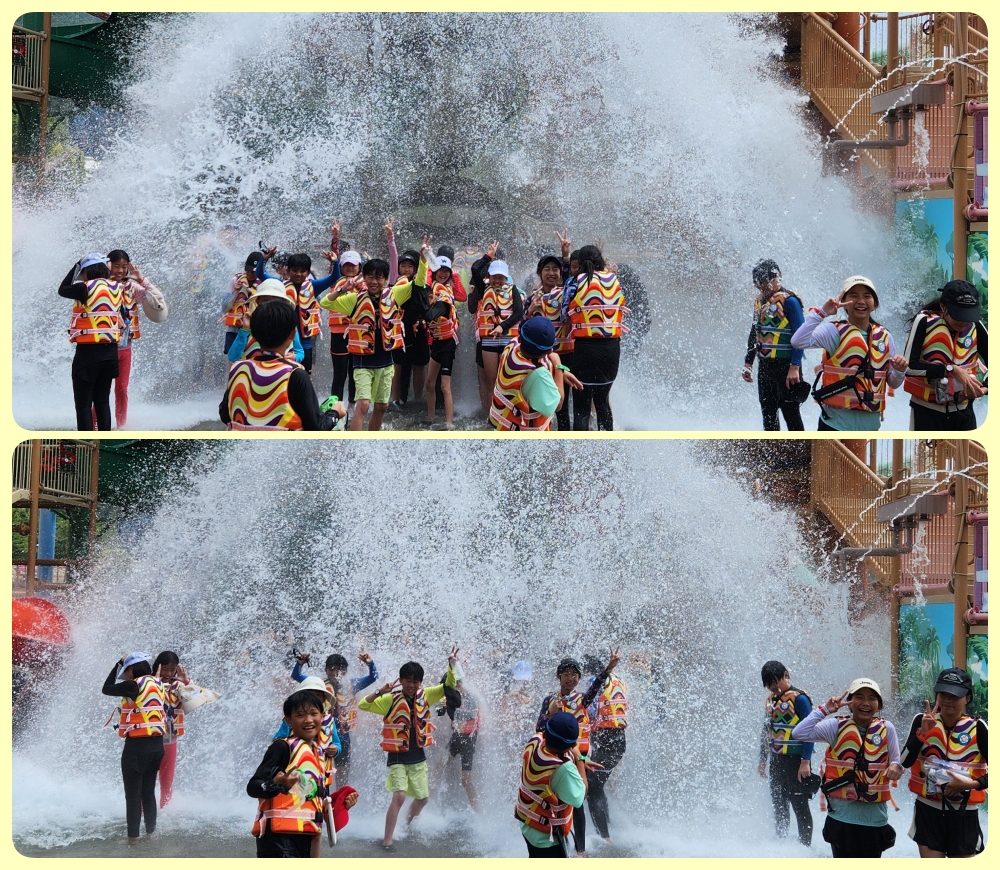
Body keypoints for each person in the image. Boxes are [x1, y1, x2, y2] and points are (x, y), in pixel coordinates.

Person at [357, 647, 460, 849]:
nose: (411, 685)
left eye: (415, 681)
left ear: (420, 682)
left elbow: (448, 686)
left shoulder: (427, 695)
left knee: (422, 799)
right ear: (401, 680)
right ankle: (387, 840)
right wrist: (380, 691)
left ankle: (406, 825)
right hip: (397, 756)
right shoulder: (390, 699)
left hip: (418, 755)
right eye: (407, 680)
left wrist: (452, 666)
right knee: (400, 796)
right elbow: (363, 705)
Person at [792, 678, 903, 858]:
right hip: (841, 819)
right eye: (859, 697)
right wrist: (825, 710)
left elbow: (896, 762)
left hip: (874, 820)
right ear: (849, 703)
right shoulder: (835, 726)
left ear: (879, 705)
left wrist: (896, 768)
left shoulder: (887, 728)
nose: (865, 703)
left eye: (872, 698)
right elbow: (799, 733)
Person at [248, 688, 358, 858]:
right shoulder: (282, 747)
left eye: (314, 713)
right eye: (300, 715)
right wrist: (277, 785)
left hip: (306, 838)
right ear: (289, 720)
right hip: (277, 841)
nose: (308, 720)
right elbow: (253, 786)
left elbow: (310, 799)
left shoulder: (318, 754)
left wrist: (339, 805)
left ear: (322, 716)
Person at [791, 276, 907, 431]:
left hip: (870, 428)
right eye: (854, 295)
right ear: (844, 302)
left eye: (867, 296)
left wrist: (899, 370)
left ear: (875, 304)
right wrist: (822, 313)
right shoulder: (833, 331)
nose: (861, 301)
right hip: (834, 424)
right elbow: (797, 341)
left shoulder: (885, 337)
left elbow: (893, 383)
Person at [535, 648, 620, 857]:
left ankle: (580, 851)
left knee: (578, 802)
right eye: (566, 674)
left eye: (574, 675)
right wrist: (550, 714)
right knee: (558, 803)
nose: (570, 678)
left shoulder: (582, 699)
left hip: (581, 758)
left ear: (579, 678)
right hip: (559, 758)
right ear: (559, 676)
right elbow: (539, 728)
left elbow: (596, 686)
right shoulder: (550, 700)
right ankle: (558, 846)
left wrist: (608, 669)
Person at [220, 293, 345, 430]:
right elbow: (316, 427)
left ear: (254, 332)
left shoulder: (237, 369)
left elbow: (225, 414)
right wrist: (335, 413)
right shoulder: (295, 374)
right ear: (292, 334)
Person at [900, 667, 987, 858]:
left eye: (954, 696)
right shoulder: (921, 720)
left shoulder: (978, 728)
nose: (947, 700)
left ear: (967, 698)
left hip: (964, 813)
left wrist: (971, 785)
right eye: (943, 694)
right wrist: (922, 734)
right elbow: (904, 761)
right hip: (928, 811)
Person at [321, 258, 406, 431]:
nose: (374, 282)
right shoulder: (354, 299)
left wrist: (424, 260)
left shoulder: (394, 295)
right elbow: (325, 303)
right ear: (364, 278)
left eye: (379, 277)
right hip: (363, 360)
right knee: (364, 404)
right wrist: (342, 289)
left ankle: (371, 440)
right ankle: (356, 443)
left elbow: (419, 283)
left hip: (386, 359)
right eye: (370, 277)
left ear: (385, 279)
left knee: (382, 406)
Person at [903, 280, 988, 430]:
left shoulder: (976, 326)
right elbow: (909, 367)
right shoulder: (924, 321)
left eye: (967, 316)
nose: (963, 322)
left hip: (963, 412)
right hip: (926, 412)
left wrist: (984, 388)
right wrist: (951, 370)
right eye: (958, 315)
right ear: (943, 307)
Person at [515, 711, 601, 858]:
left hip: (527, 824)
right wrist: (580, 759)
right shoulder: (564, 769)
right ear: (573, 744)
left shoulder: (535, 740)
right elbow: (580, 796)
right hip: (546, 838)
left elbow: (557, 747)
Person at [101, 652, 166, 844]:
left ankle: (133, 838)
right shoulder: (157, 683)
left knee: (133, 795)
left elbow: (106, 688)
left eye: (126, 670)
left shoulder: (132, 685)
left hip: (137, 747)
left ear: (131, 668)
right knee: (148, 792)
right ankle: (151, 833)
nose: (126, 674)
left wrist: (117, 664)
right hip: (157, 746)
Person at [290, 649, 379, 788]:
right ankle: (317, 797)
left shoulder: (352, 685)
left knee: (343, 775)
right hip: (321, 736)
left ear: (345, 671)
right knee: (317, 771)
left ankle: (340, 800)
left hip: (343, 738)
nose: (335, 672)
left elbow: (373, 677)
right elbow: (296, 676)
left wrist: (370, 663)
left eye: (339, 669)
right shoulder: (318, 685)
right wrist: (300, 663)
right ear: (326, 670)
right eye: (331, 669)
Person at [562, 245, 627, 430]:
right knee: (603, 403)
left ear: (581, 262)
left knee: (581, 409)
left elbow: (564, 316)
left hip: (585, 349)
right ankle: (606, 444)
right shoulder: (613, 279)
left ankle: (581, 446)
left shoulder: (574, 282)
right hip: (612, 350)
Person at [58, 253, 123, 430]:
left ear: (87, 270)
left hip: (88, 355)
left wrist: (77, 264)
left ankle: (86, 440)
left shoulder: (84, 288)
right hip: (110, 353)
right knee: (102, 402)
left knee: (83, 405)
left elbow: (62, 289)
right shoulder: (117, 287)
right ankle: (104, 439)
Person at [741, 259, 805, 431]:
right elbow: (754, 332)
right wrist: (748, 362)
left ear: (777, 276)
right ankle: (772, 446)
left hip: (786, 368)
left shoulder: (790, 301)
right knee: (768, 415)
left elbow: (802, 336)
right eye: (758, 283)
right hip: (765, 367)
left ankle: (799, 446)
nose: (762, 287)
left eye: (765, 282)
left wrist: (795, 367)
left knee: (791, 414)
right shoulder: (759, 302)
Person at [106, 250, 167, 429]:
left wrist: (141, 279)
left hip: (125, 348)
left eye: (124, 266)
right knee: (102, 391)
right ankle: (95, 427)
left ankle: (121, 426)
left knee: (122, 389)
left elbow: (157, 300)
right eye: (116, 266)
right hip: (105, 348)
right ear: (108, 265)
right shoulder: (101, 286)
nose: (120, 270)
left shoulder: (132, 288)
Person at [757, 660, 815, 846]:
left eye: (776, 681)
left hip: (796, 761)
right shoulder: (771, 701)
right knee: (779, 805)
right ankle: (781, 845)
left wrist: (805, 761)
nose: (773, 687)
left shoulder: (800, 699)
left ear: (786, 675)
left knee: (799, 805)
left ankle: (805, 847)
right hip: (777, 761)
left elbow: (810, 731)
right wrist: (763, 759)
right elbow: (766, 731)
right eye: (769, 684)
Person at [489, 316, 580, 431]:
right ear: (550, 350)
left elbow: (537, 358)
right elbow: (558, 405)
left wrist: (560, 372)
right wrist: (558, 367)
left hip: (502, 427)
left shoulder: (512, 345)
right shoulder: (538, 375)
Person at [582, 654, 628, 846]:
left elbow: (591, 711)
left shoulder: (594, 681)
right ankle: (608, 827)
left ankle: (605, 838)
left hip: (604, 739)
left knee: (593, 788)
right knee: (598, 785)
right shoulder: (618, 680)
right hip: (619, 739)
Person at [418, 238, 459, 429]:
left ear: (450, 273)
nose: (443, 273)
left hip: (448, 343)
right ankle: (430, 417)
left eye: (446, 271)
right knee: (429, 383)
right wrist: (425, 254)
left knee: (444, 385)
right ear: (434, 272)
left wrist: (424, 313)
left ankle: (449, 423)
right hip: (436, 341)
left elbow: (436, 312)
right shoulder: (432, 287)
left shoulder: (444, 293)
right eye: (440, 270)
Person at [477, 259, 525, 403]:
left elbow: (519, 313)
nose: (497, 281)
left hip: (508, 341)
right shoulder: (483, 288)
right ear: (489, 276)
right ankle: (493, 413)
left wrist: (502, 326)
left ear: (506, 277)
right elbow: (474, 270)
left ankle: (510, 411)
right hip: (489, 342)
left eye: (501, 277)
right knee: (491, 381)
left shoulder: (513, 289)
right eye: (494, 277)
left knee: (509, 381)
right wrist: (487, 256)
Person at [226, 280, 306, 365]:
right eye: (265, 300)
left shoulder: (288, 326)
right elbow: (233, 357)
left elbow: (300, 352)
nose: (270, 304)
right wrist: (245, 329)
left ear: (283, 302)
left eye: (275, 300)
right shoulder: (252, 324)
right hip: (255, 371)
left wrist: (295, 357)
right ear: (257, 301)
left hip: (282, 371)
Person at [151, 651, 190, 809]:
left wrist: (186, 680)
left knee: (167, 779)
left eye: (172, 670)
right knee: (148, 779)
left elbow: (194, 700)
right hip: (149, 737)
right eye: (165, 669)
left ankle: (165, 812)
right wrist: (155, 681)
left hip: (170, 737)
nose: (168, 674)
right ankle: (143, 812)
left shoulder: (179, 686)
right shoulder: (148, 683)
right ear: (158, 667)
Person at [222, 252, 264, 361]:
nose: (250, 274)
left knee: (252, 359)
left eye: (253, 271)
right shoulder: (235, 280)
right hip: (234, 330)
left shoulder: (264, 283)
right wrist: (235, 291)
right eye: (248, 270)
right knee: (233, 359)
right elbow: (224, 308)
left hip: (254, 330)